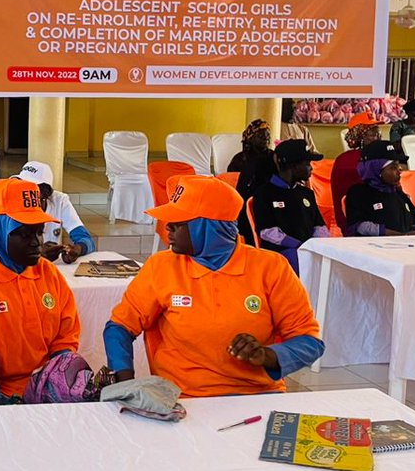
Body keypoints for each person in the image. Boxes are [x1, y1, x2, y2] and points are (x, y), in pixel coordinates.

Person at [103, 176, 323, 397]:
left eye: (179, 221)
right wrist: (125, 383)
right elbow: (119, 327)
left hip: (255, 396)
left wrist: (268, 356)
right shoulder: (161, 266)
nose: (167, 227)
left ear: (208, 227)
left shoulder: (271, 268)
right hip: (180, 399)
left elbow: (309, 342)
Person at [0, 178, 91, 401]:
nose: (37, 242)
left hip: (45, 388)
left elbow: (65, 336)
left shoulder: (49, 274)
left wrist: (57, 382)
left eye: (39, 232)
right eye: (25, 234)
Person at [248, 139, 330, 273]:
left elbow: (319, 227)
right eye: (307, 164)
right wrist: (299, 246)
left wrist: (316, 246)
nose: (311, 168)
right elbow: (267, 232)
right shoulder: (264, 193)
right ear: (293, 166)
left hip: (308, 250)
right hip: (281, 253)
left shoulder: (307, 193)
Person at [343, 140, 415, 237]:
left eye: (398, 166)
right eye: (393, 167)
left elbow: (414, 215)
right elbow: (357, 225)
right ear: (375, 170)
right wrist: (397, 235)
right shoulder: (358, 193)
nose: (399, 171)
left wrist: (414, 230)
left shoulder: (398, 192)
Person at [17, 160, 95, 263]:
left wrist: (76, 250)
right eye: (20, 185)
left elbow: (87, 240)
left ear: (46, 193)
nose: (24, 192)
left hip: (51, 268)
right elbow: (0, 249)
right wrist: (38, 253)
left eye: (31, 188)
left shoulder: (60, 201)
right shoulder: (11, 201)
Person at [332, 111, 383, 232]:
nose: (379, 137)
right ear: (359, 135)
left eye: (378, 132)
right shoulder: (348, 161)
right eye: (373, 134)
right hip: (358, 224)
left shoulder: (371, 157)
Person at [228, 118, 275, 199]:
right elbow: (233, 183)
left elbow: (279, 180)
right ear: (251, 138)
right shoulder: (240, 159)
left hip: (271, 195)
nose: (266, 138)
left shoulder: (273, 156)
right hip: (246, 197)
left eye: (268, 135)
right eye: (261, 135)